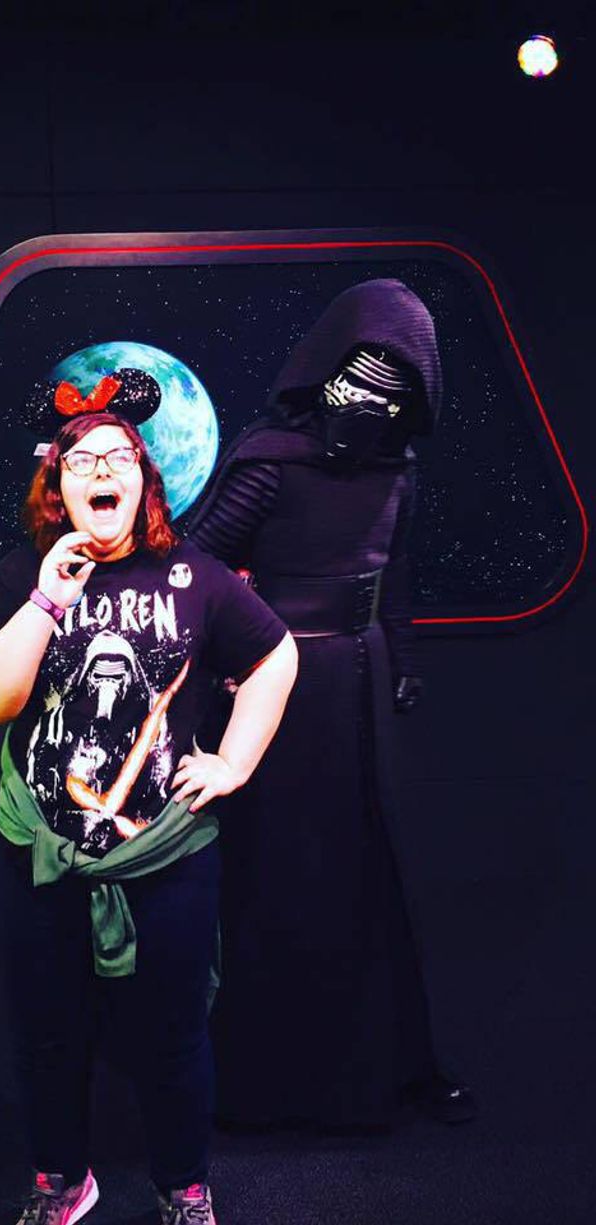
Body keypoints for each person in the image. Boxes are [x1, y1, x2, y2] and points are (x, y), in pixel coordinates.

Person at [0, 402, 298, 1225]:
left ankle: (184, 1185)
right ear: (58, 486)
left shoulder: (193, 574)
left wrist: (234, 761)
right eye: (82, 461)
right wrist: (46, 600)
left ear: (144, 480)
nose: (102, 470)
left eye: (119, 458)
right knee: (46, 1032)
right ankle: (62, 1180)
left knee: (173, 1033)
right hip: (40, 851)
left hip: (164, 857)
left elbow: (274, 654)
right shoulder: (23, 572)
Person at [190, 278, 475, 1130]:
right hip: (277, 688)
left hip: (361, 683)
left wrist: (403, 658)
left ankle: (393, 1065)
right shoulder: (270, 461)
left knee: (367, 876)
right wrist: (232, 656)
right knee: (277, 871)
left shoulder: (398, 473)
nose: (372, 401)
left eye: (395, 385)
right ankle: (263, 1080)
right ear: (327, 370)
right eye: (363, 374)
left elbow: (395, 573)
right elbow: (199, 568)